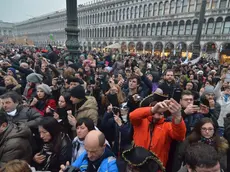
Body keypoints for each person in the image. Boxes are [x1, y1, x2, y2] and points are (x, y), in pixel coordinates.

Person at [130, 98, 186, 167]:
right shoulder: (141, 122)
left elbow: (180, 136)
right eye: (154, 113)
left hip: (156, 167)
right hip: (137, 163)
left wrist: (178, 116)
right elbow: (132, 116)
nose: (156, 116)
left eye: (160, 113)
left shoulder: (167, 126)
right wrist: (153, 109)